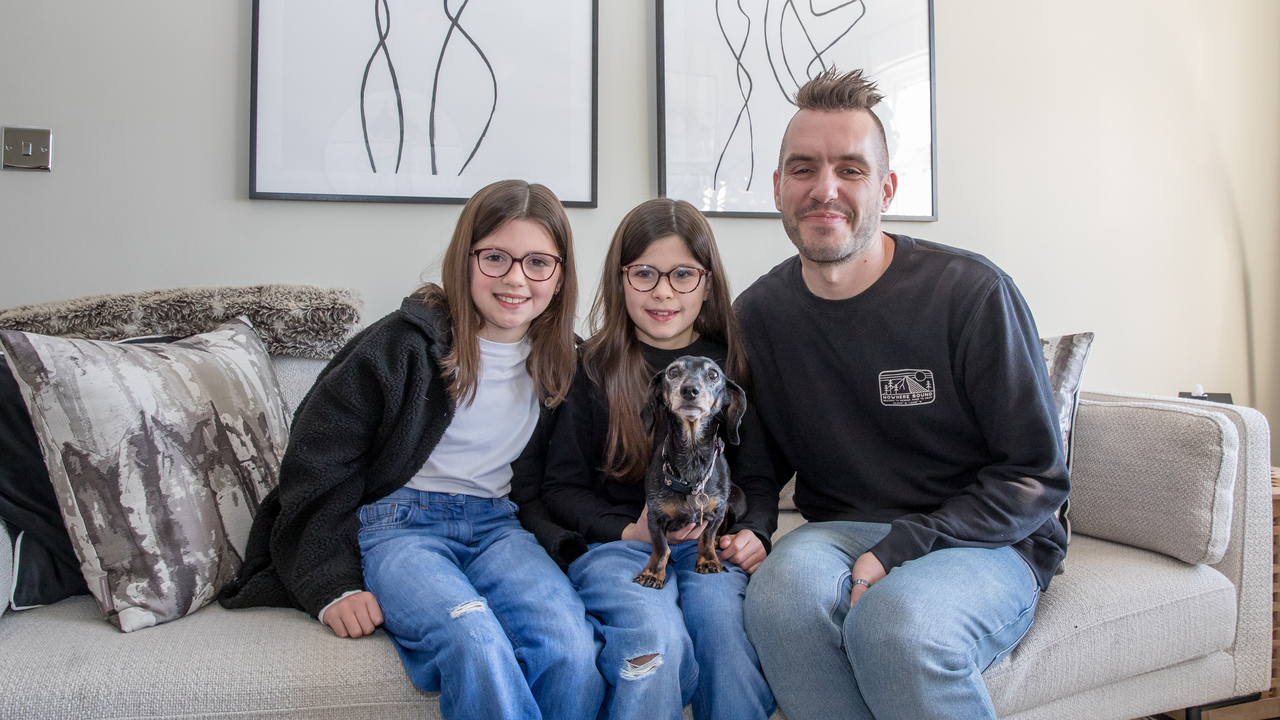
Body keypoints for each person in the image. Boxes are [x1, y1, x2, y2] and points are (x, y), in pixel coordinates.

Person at [737, 68, 1070, 720]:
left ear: (886, 188)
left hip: (986, 540)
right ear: (778, 188)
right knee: (777, 600)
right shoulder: (759, 315)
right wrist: (748, 525)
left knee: (896, 622)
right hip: (838, 529)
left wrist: (901, 547)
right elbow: (758, 468)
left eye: (850, 170)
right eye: (803, 169)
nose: (824, 189)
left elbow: (1035, 476)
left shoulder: (970, 295)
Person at [219, 179, 606, 720]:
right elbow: (318, 462)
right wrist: (331, 584)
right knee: (475, 642)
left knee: (570, 646)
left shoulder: (564, 361)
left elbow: (583, 471)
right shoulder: (400, 345)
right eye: (496, 258)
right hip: (398, 527)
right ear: (464, 258)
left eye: (539, 262)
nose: (517, 278)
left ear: (560, 276)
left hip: (498, 528)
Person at [539, 198, 778, 720]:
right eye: (644, 273)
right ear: (620, 278)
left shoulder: (726, 367)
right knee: (653, 642)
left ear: (707, 282)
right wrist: (626, 531)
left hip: (707, 547)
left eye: (682, 274)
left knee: (724, 637)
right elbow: (558, 489)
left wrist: (755, 533)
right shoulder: (592, 367)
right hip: (619, 547)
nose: (663, 291)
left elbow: (758, 478)